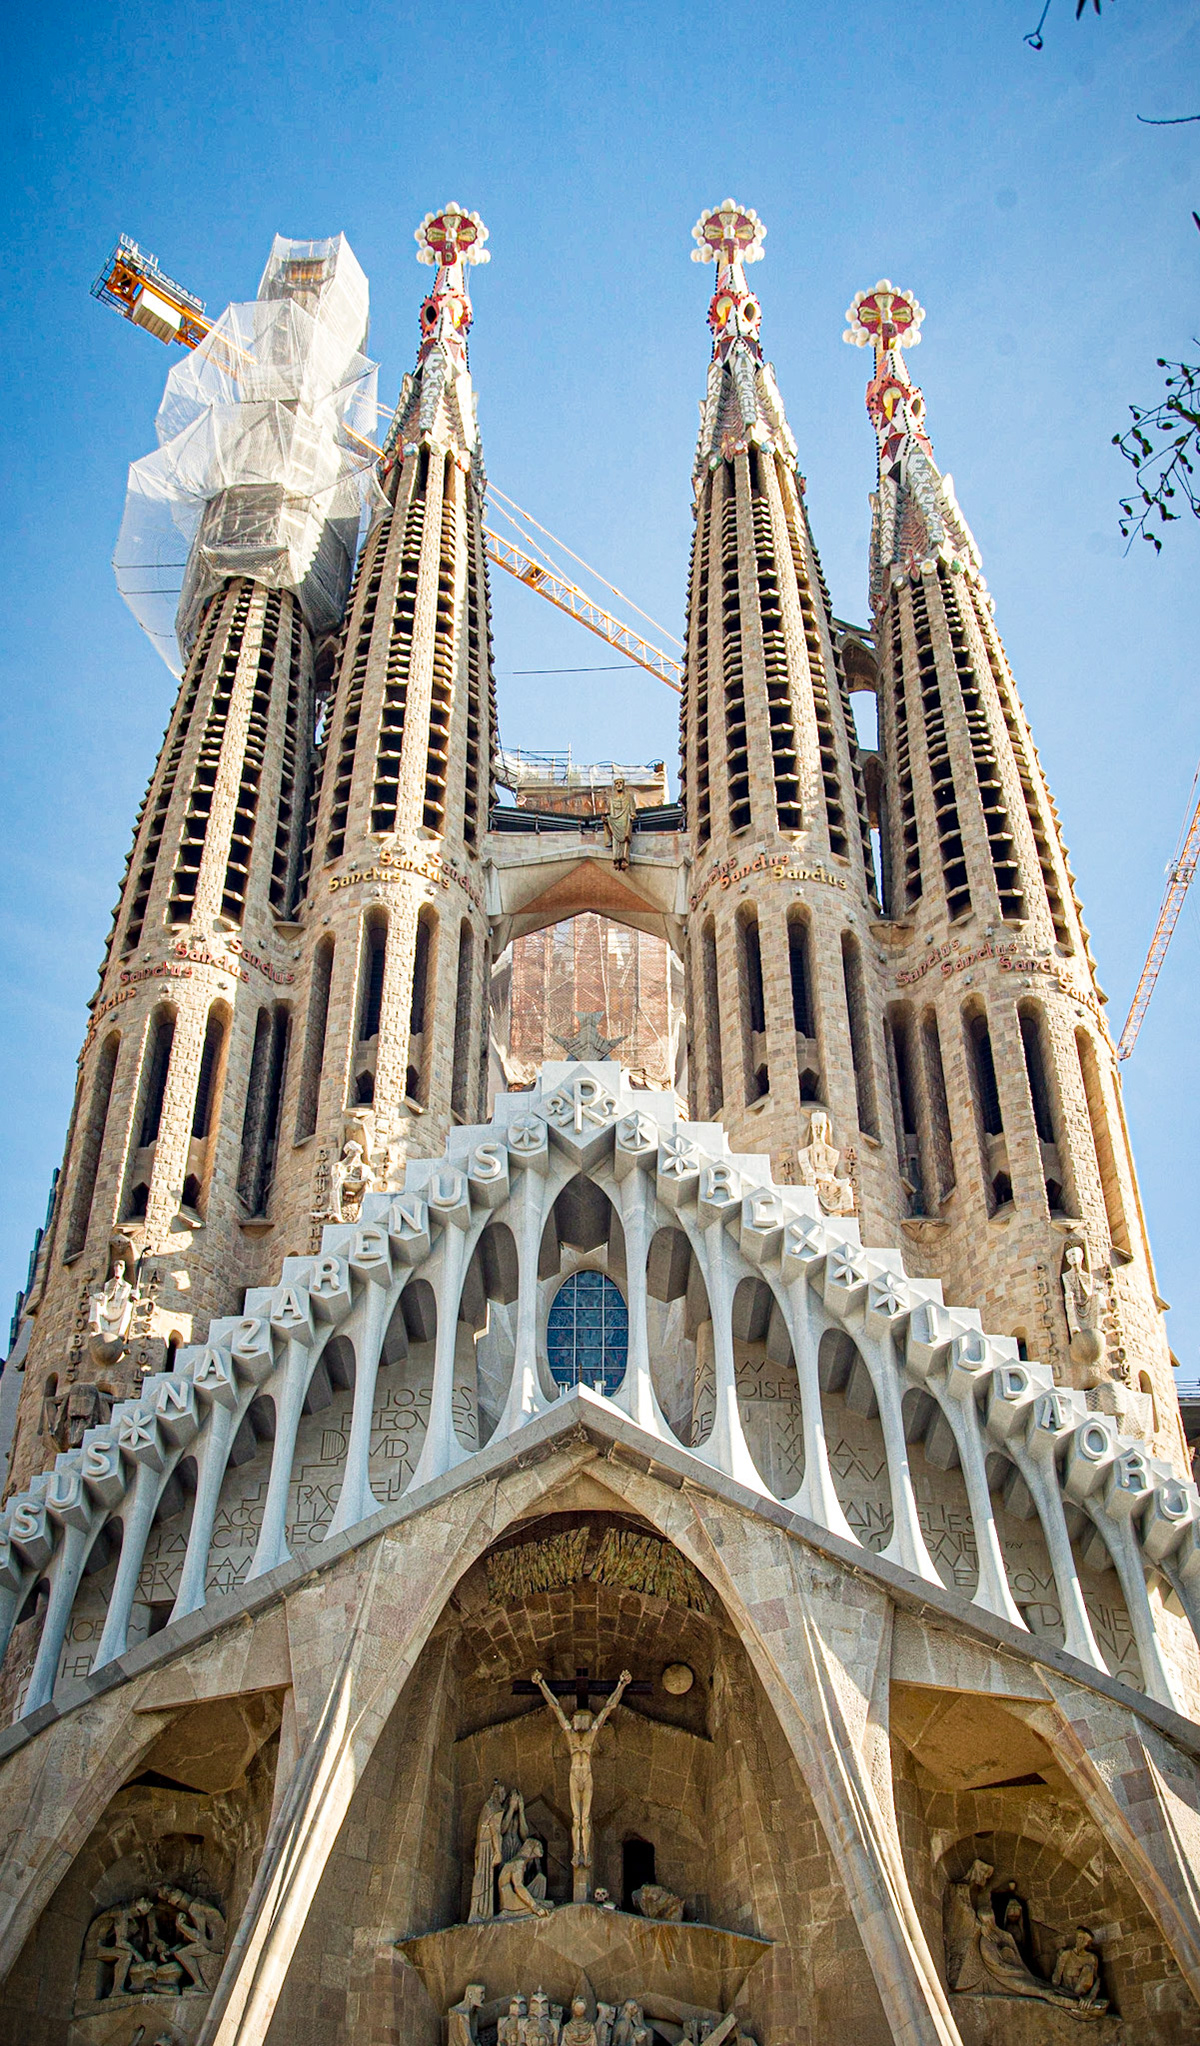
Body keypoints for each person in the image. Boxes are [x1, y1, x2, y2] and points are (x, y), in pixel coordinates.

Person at [530, 1669, 632, 1875]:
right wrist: (541, 1684)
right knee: (576, 1819)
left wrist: (622, 1684)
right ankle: (577, 1853)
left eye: (581, 1719)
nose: (578, 1722)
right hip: (574, 1776)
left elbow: (608, 1709)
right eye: (577, 1719)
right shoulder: (569, 1735)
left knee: (585, 1819)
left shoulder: (592, 1734)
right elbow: (555, 1707)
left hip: (586, 1776)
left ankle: (586, 1853)